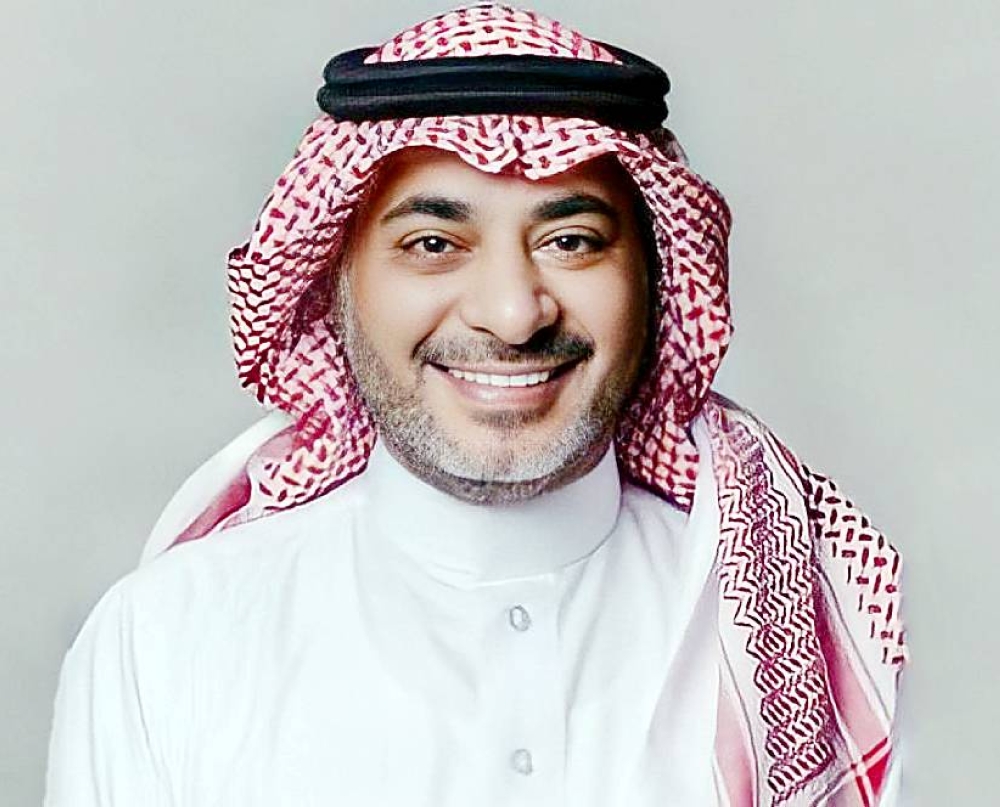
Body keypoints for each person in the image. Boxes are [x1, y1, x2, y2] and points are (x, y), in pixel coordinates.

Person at [45, 4, 907, 805]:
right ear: (335, 284)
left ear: (653, 282)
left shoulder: (806, 630)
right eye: (433, 243)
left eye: (571, 240)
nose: (512, 312)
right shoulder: (167, 640)